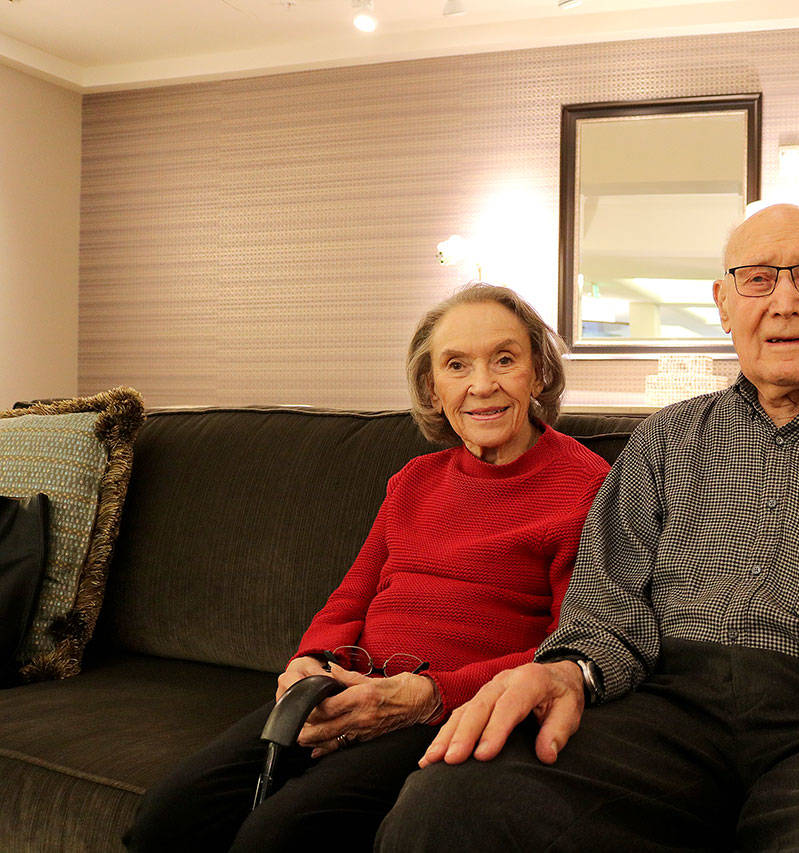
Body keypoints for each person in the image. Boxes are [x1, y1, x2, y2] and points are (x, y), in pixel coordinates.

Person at [377, 205, 799, 851]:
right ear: (723, 304)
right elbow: (603, 616)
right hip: (660, 716)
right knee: (451, 804)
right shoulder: (663, 440)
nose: (784, 302)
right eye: (758, 279)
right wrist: (567, 672)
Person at [126, 283, 610, 852]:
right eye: (456, 365)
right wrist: (308, 661)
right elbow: (350, 597)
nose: (482, 385)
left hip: (451, 709)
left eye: (504, 359)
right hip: (347, 686)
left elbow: (571, 647)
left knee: (279, 836)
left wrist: (426, 693)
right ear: (431, 388)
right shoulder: (414, 480)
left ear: (539, 373)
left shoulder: (588, 486)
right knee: (167, 817)